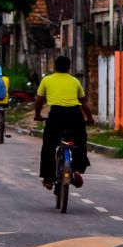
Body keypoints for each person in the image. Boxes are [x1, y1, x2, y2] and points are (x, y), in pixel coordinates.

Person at [34, 55, 94, 189]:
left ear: (54, 66)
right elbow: (83, 103)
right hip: (75, 115)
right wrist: (89, 118)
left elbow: (38, 101)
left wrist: (37, 115)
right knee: (80, 142)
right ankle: (77, 169)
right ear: (69, 67)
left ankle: (48, 178)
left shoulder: (47, 80)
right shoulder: (75, 81)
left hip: (56, 115)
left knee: (49, 145)